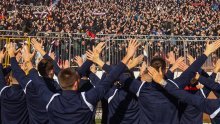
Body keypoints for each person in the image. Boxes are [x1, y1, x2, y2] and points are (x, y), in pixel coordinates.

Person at [0, 50, 29, 124]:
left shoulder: (4, 92)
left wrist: (1, 59)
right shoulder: (27, 93)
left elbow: (1, 76)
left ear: (10, 78)